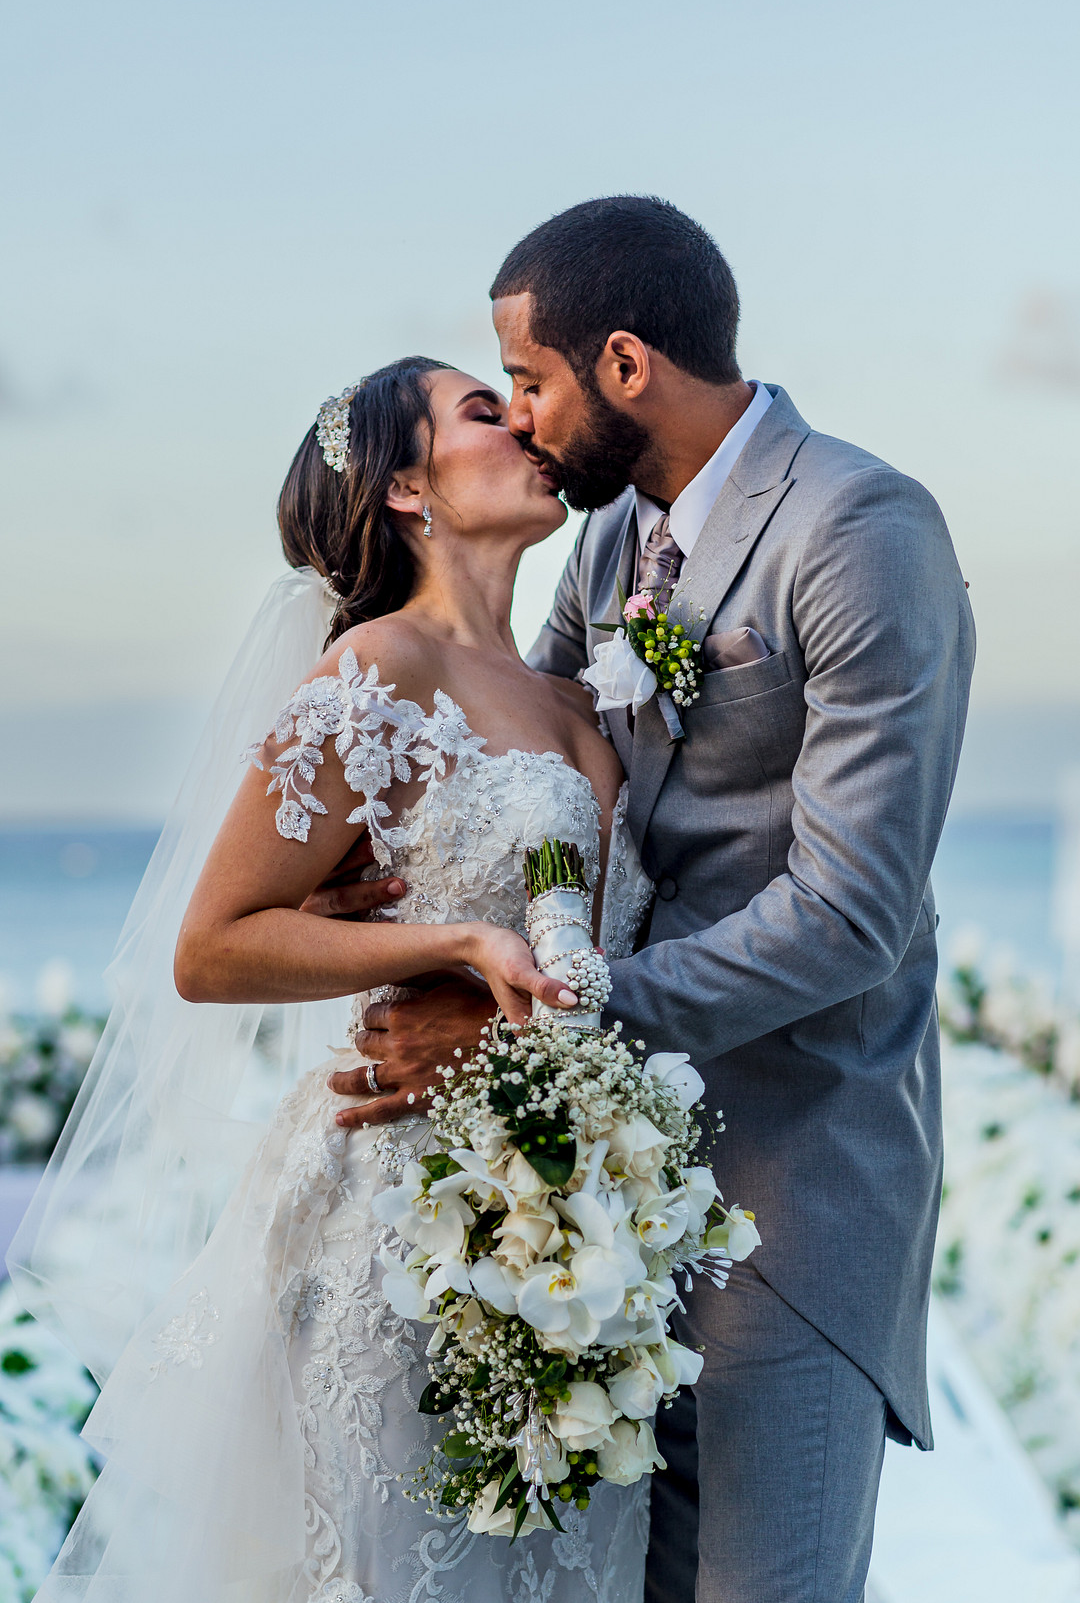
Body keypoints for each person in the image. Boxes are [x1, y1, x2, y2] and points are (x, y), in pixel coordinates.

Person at [316, 198, 977, 1603]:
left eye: (535, 385)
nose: (529, 424)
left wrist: (530, 1023)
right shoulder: (617, 549)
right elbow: (536, 744)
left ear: (624, 366)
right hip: (594, 1199)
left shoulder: (859, 527)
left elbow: (852, 914)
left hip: (788, 1177)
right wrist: (400, 886)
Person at [16, 356, 656, 1602]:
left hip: (576, 1218)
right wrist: (456, 946)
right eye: (486, 408)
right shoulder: (377, 671)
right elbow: (213, 945)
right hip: (398, 1219)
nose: (525, 420)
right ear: (410, 485)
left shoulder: (577, 696)